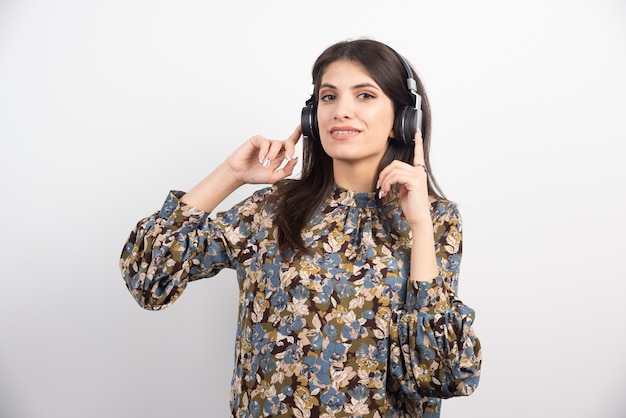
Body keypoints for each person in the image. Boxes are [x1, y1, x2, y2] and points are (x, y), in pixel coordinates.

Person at [119, 38, 481, 417]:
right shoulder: (274, 209)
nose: (342, 111)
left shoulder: (435, 221)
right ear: (311, 117)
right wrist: (231, 175)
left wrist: (420, 225)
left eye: (365, 96)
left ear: (403, 121)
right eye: (329, 97)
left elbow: (440, 374)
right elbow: (149, 277)